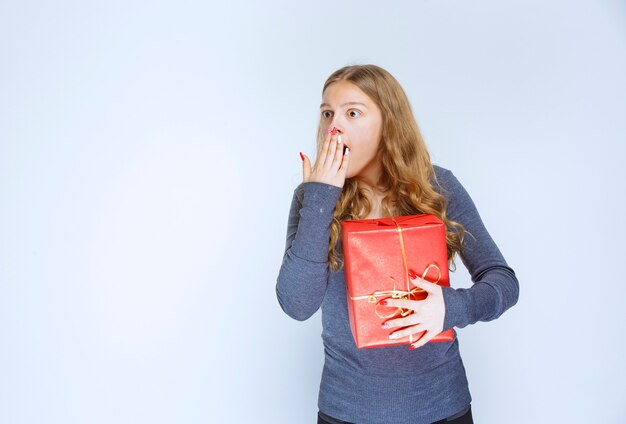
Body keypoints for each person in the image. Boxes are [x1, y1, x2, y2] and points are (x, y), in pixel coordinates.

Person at [276, 64, 519, 424]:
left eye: (352, 112)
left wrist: (452, 308)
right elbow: (296, 304)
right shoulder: (312, 199)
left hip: (443, 409)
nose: (333, 126)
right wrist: (320, 198)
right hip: (345, 413)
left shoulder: (439, 186)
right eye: (327, 113)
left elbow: (503, 282)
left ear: (388, 122)